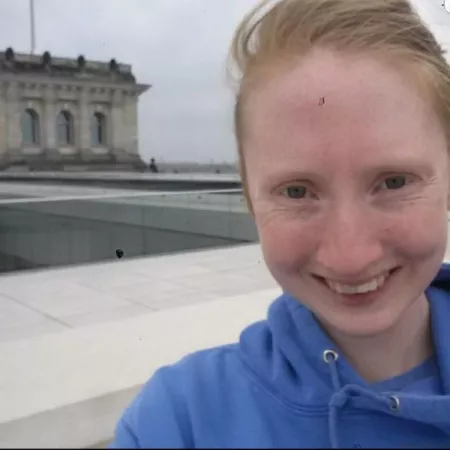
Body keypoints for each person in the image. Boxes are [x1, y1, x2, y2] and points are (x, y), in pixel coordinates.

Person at [110, 0, 450, 447]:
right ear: (249, 196)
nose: (350, 256)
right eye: (296, 191)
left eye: (393, 181)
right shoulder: (178, 422)